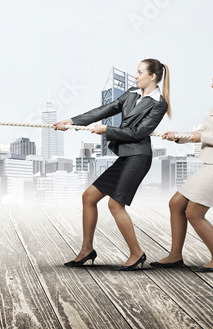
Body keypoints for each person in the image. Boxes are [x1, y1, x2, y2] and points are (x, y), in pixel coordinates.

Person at [54, 59, 170, 270]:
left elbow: (138, 133)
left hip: (139, 157)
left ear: (152, 76)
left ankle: (137, 254)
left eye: (140, 72)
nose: (136, 76)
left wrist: (107, 131)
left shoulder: (159, 104)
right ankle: (87, 250)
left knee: (115, 204)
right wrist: (71, 121)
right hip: (125, 155)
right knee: (89, 196)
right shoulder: (132, 93)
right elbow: (106, 109)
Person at [153, 65, 213, 272]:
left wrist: (203, 137)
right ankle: (175, 256)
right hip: (209, 163)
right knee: (176, 204)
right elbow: (203, 132)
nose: (211, 84)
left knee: (194, 213)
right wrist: (178, 137)